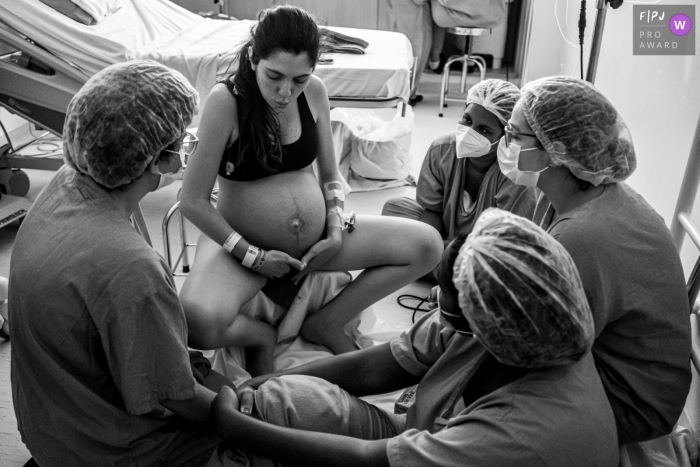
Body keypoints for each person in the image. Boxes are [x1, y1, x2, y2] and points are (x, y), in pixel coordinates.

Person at [207, 208, 619, 467]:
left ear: (485, 322)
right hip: (420, 436)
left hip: (431, 451)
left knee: (263, 434)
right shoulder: (510, 324)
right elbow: (380, 366)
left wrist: (236, 427)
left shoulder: (522, 435)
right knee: (286, 398)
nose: (436, 301)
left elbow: (371, 459)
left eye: (449, 300)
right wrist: (267, 382)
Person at [179, 5, 443, 376]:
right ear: (254, 58)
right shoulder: (226, 102)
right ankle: (261, 337)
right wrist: (254, 256)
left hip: (318, 242)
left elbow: (331, 177)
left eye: (300, 79)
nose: (286, 92)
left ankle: (329, 322)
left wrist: (334, 230)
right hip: (245, 246)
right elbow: (191, 201)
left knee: (428, 245)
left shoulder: (314, 93)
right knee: (197, 324)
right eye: (274, 76)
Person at [10, 60, 234, 467]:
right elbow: (173, 394)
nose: (186, 150)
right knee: (272, 425)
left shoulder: (68, 184)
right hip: (111, 451)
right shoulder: (130, 267)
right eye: (181, 140)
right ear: (163, 161)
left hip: (52, 425)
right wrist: (251, 417)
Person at [497, 75, 691, 443]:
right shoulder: (568, 195)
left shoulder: (582, 235)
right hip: (612, 365)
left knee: (481, 369)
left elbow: (534, 346)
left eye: (513, 133)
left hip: (632, 405)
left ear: (554, 150)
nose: (504, 143)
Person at [382, 79, 537, 271]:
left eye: (484, 130)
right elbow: (432, 212)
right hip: (443, 239)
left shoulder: (514, 172)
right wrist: (430, 247)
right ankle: (442, 268)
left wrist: (436, 255)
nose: (469, 132)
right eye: (467, 120)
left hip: (485, 249)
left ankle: (430, 268)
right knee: (394, 209)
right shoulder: (442, 149)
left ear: (505, 136)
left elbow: (506, 241)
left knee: (501, 265)